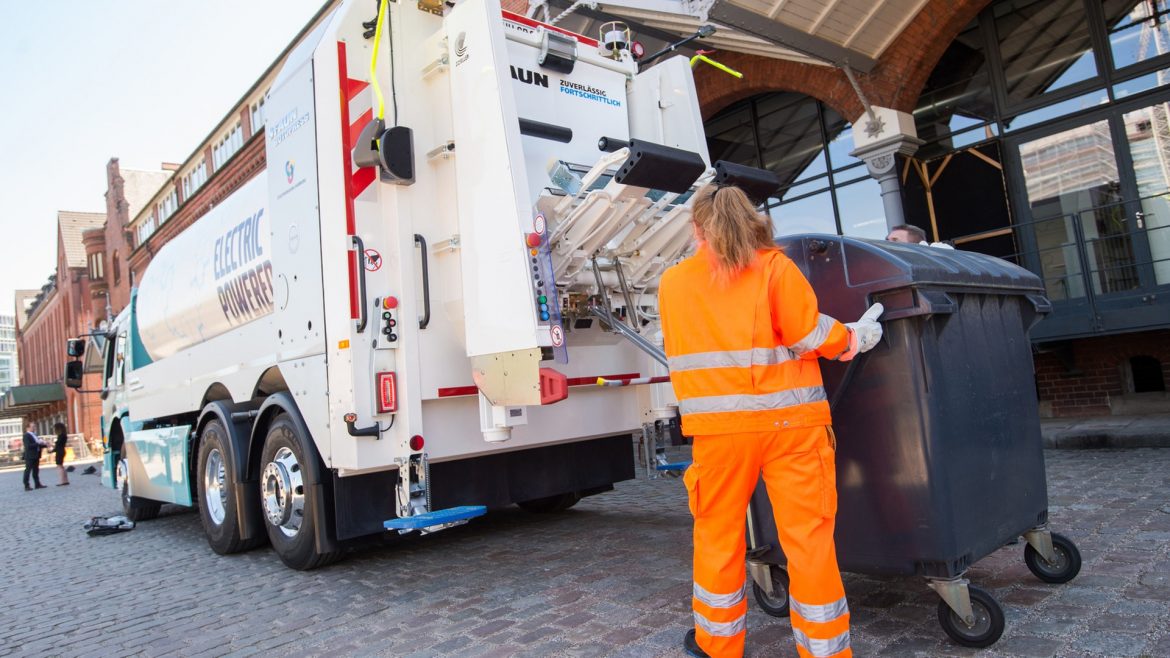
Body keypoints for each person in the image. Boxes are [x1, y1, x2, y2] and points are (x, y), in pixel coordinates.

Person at [658, 184, 884, 658]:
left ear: (697, 227)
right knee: (808, 541)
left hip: (719, 435)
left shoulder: (673, 282)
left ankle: (717, 646)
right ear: (754, 219)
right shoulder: (775, 268)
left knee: (718, 536)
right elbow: (809, 335)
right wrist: (856, 337)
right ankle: (825, 650)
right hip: (792, 430)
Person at [22, 421, 48, 491]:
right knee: (28, 470)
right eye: (32, 427)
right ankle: (26, 485)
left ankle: (37, 484)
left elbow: (38, 444)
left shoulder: (34, 435)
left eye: (34, 426)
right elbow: (28, 446)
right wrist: (38, 443)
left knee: (36, 470)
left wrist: (45, 444)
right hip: (30, 456)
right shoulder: (26, 435)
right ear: (28, 428)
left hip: (36, 455)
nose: (34, 428)